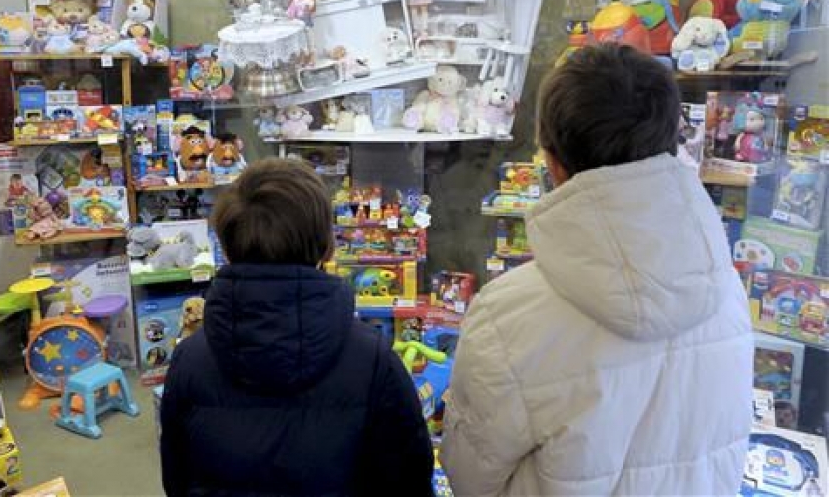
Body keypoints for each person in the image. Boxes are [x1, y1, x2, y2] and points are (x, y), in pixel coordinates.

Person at [441, 43, 753, 496]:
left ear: (552, 162)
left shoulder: (505, 315)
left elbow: (470, 477)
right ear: (670, 143)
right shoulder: (726, 288)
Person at [160, 158, 433, 496]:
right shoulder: (374, 361)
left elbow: (177, 479)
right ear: (326, 245)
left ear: (227, 248)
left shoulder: (189, 359)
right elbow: (409, 481)